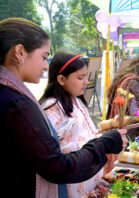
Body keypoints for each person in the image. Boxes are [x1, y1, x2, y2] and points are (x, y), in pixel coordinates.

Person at [0, 18, 128, 197]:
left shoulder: (11, 97)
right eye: (44, 57)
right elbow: (57, 166)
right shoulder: (16, 104)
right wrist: (103, 144)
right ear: (20, 52)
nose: (46, 65)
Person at [38, 51, 104, 198]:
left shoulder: (76, 99)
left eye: (86, 76)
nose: (86, 82)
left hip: (87, 177)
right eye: (80, 77)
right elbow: (55, 155)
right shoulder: (51, 108)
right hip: (71, 185)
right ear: (61, 79)